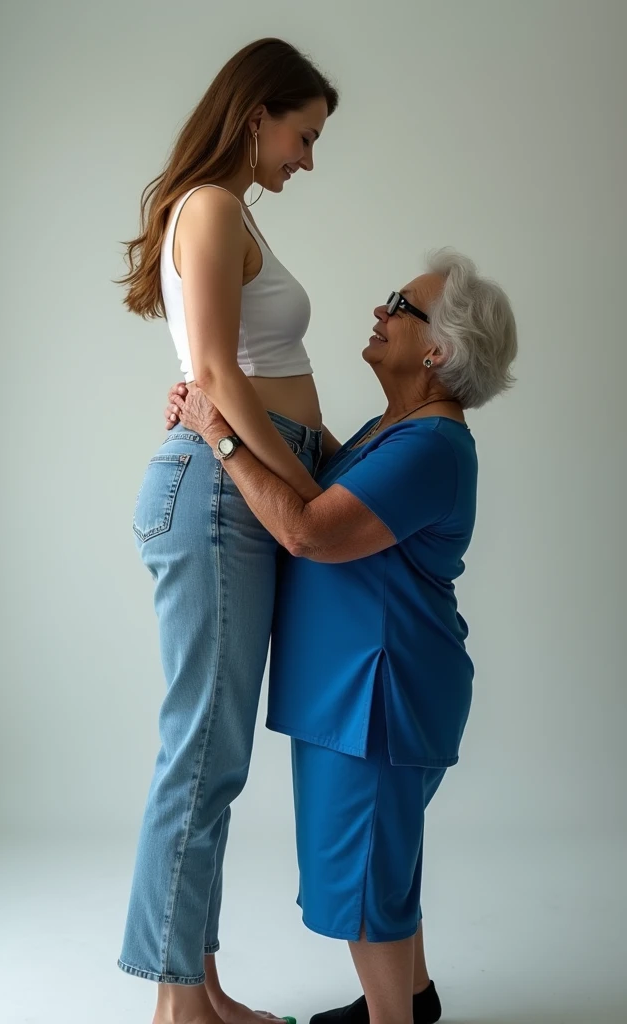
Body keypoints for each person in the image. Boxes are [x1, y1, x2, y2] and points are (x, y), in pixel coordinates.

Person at [166, 250, 518, 1024]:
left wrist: (218, 435)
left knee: (361, 883)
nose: (380, 309)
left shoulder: (429, 445)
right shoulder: (399, 430)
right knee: (381, 864)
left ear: (439, 352)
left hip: (374, 694)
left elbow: (308, 531)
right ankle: (410, 1003)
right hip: (365, 687)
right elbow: (323, 478)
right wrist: (225, 412)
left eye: (402, 304)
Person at [116, 37, 338, 1024]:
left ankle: (197, 989)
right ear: (256, 115)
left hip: (231, 481)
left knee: (216, 753)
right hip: (219, 490)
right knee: (199, 750)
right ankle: (176, 1008)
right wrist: (298, 481)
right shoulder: (209, 208)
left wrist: (328, 454)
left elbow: (231, 368)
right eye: (303, 133)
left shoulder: (224, 212)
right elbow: (217, 371)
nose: (307, 158)